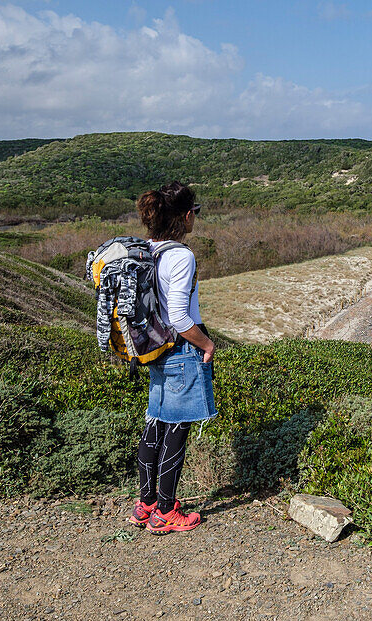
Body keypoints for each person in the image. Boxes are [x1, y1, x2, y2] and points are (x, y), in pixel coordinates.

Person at [127, 182, 217, 535]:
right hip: (178, 348)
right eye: (194, 211)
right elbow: (180, 317)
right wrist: (206, 344)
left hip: (152, 347)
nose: (195, 217)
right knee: (177, 428)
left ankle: (146, 503)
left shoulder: (147, 250)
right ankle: (166, 511)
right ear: (185, 215)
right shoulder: (181, 255)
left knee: (156, 422)